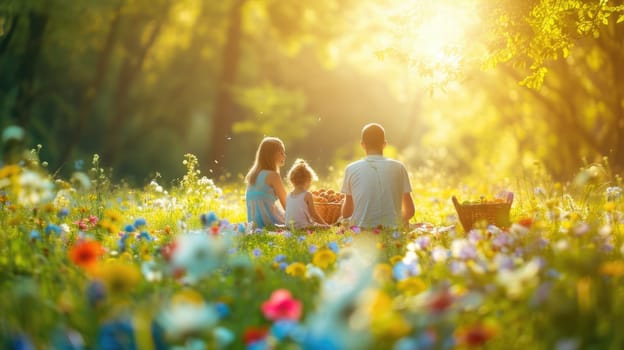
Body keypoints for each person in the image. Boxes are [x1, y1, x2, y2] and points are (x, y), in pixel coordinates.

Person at [340, 123, 415, 229]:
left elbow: (347, 212)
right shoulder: (399, 167)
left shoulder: (351, 168)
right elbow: (410, 211)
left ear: (362, 145)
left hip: (362, 230)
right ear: (384, 144)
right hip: (392, 230)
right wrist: (397, 221)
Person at [245, 137, 288, 229]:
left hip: (254, 225)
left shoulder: (252, 175)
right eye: (281, 152)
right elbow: (287, 205)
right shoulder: (273, 176)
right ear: (271, 155)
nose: (284, 155)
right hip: (270, 223)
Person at [284, 159, 330, 229]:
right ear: (308, 180)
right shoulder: (307, 195)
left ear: (292, 180)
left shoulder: (289, 195)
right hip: (303, 227)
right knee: (323, 227)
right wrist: (325, 224)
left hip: (289, 226)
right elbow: (314, 215)